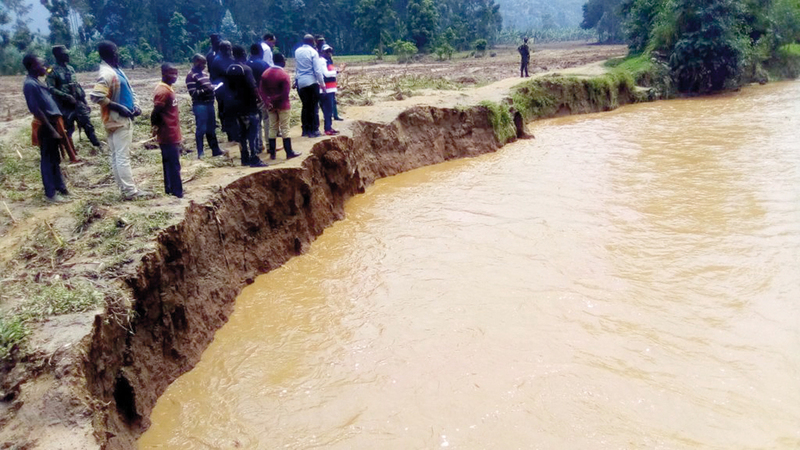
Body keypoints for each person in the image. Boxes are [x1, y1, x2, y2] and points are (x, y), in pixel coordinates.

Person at [89, 41, 149, 200]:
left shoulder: (116, 70)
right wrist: (118, 107)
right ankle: (130, 191)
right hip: (118, 119)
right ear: (108, 54)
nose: (117, 54)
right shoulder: (107, 73)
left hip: (116, 119)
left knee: (116, 156)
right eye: (115, 51)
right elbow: (96, 96)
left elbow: (130, 91)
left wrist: (135, 105)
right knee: (122, 156)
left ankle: (125, 189)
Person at [22, 54, 71, 203]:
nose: (45, 67)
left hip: (53, 124)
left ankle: (61, 188)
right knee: (48, 159)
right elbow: (36, 109)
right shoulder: (30, 84)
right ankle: (50, 194)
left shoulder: (38, 82)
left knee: (55, 158)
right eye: (42, 65)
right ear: (32, 66)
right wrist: (51, 129)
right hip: (46, 126)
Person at [46, 45, 102, 150]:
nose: (68, 55)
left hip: (77, 102)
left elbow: (77, 86)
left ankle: (97, 146)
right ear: (58, 56)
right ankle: (70, 152)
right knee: (67, 129)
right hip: (64, 106)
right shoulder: (52, 71)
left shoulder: (70, 69)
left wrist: (84, 102)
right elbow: (51, 88)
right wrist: (66, 96)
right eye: (65, 54)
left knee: (88, 124)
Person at [219, 63, 266, 167]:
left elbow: (225, 88)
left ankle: (244, 158)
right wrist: (260, 100)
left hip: (235, 108)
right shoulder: (246, 70)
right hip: (249, 107)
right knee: (252, 134)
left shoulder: (229, 70)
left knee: (242, 134)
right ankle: (254, 158)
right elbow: (253, 87)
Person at [259, 53, 301, 161]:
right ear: (282, 61)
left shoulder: (265, 73)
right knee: (285, 128)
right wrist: (274, 99)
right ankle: (289, 152)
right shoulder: (283, 75)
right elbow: (285, 93)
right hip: (283, 105)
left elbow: (261, 91)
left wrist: (268, 101)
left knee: (272, 127)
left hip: (270, 106)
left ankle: (272, 154)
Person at [151, 63, 183, 198]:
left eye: (176, 73)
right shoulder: (163, 92)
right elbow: (155, 112)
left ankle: (170, 189)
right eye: (171, 73)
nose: (174, 76)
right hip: (167, 133)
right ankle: (177, 192)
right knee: (173, 164)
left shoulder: (168, 89)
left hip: (172, 132)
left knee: (170, 163)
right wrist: (156, 127)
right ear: (163, 73)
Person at [186, 54, 225, 158]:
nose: (204, 65)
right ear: (196, 62)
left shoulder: (204, 74)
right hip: (200, 105)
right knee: (201, 128)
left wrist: (213, 87)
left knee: (211, 128)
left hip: (209, 103)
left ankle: (215, 150)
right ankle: (200, 152)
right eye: (202, 63)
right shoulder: (191, 76)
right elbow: (193, 93)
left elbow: (208, 86)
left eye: (205, 63)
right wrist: (207, 90)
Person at [295, 34, 325, 138]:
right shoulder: (313, 52)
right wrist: (322, 84)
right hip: (311, 81)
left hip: (301, 82)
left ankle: (305, 130)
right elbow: (317, 70)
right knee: (313, 106)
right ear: (313, 42)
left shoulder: (297, 51)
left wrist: (296, 80)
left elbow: (297, 67)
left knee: (305, 106)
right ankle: (314, 129)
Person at [210, 40, 237, 141]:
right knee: (226, 112)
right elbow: (227, 72)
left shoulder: (227, 58)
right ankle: (230, 134)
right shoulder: (218, 60)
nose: (230, 50)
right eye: (228, 48)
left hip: (228, 89)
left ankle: (233, 133)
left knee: (231, 112)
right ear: (223, 49)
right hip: (222, 90)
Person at [246, 44, 269, 153]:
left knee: (256, 122)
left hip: (250, 98)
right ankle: (270, 145)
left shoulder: (245, 64)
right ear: (261, 52)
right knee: (267, 120)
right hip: (263, 96)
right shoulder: (263, 64)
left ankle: (258, 145)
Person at [317, 44, 343, 136]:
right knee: (328, 110)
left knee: (329, 110)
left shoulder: (327, 61)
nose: (329, 53)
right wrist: (338, 71)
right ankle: (327, 129)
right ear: (322, 52)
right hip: (326, 89)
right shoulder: (322, 61)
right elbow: (326, 74)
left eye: (330, 51)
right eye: (327, 51)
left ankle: (329, 127)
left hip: (330, 88)